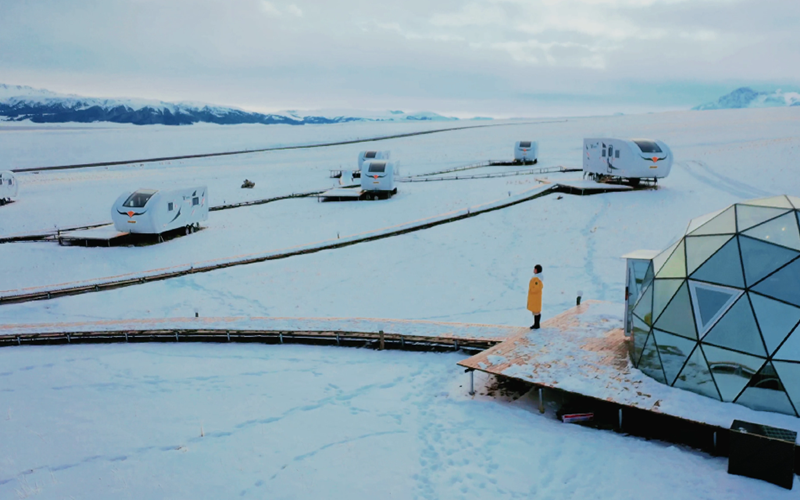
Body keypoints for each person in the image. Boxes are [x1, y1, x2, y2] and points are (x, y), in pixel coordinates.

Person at [527, 265, 544, 329]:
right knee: (535, 311)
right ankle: (536, 324)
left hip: (535, 297)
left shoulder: (536, 279)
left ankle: (536, 324)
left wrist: (531, 290)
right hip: (535, 297)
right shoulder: (537, 278)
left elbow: (537, 288)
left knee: (536, 311)